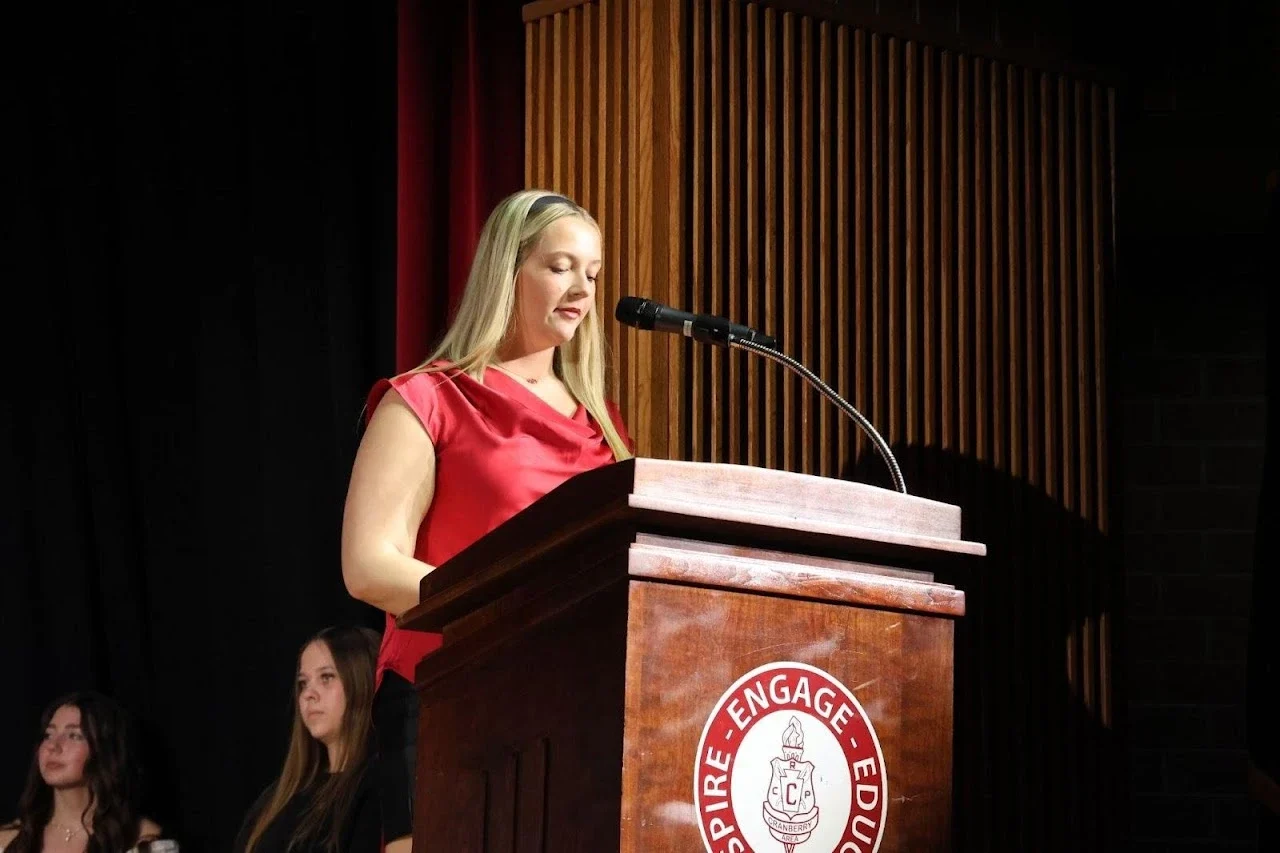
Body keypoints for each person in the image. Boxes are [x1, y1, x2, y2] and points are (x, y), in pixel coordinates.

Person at [341, 189, 633, 851]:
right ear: (508, 270)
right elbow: (368, 563)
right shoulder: (429, 398)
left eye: (592, 274)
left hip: (571, 707)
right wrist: (507, 612)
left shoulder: (605, 428)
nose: (582, 289)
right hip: (446, 696)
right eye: (559, 265)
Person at [233, 626, 382, 853]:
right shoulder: (278, 796)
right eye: (303, 683)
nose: (308, 694)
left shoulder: (375, 787)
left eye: (326, 677)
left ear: (360, 680)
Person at [0, 692, 162, 852]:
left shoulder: (143, 841)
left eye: (74, 736)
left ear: (104, 750)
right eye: (48, 735)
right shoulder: (7, 839)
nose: (53, 746)